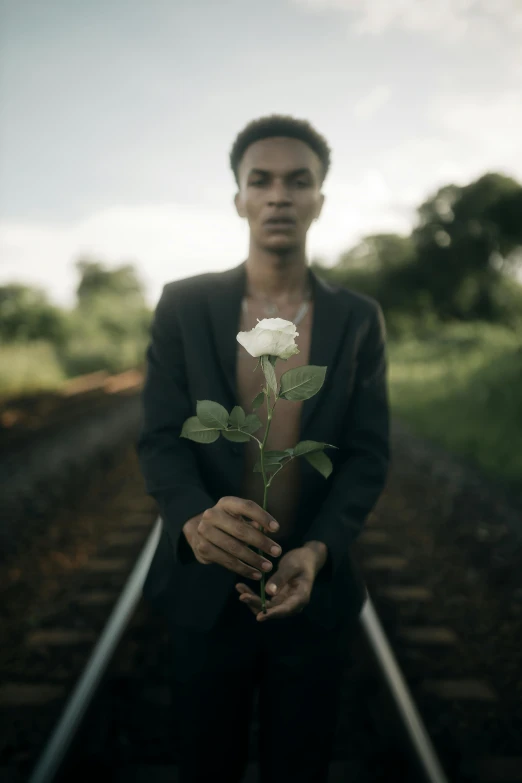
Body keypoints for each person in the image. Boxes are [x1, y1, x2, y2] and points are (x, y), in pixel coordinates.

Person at [136, 114, 391, 783]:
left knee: (299, 767)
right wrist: (193, 518)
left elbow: (367, 452)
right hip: (203, 593)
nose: (279, 194)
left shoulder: (357, 317)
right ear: (240, 199)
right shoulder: (184, 304)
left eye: (297, 180)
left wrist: (321, 546)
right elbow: (162, 435)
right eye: (262, 180)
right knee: (206, 763)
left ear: (319, 201)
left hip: (313, 595)